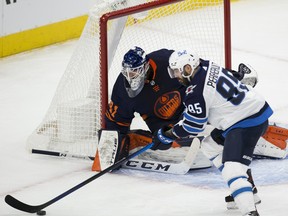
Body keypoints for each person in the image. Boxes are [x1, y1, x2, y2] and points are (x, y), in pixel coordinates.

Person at [93, 46, 288, 210]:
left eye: (135, 71)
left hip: (192, 106)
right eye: (128, 72)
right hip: (164, 122)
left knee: (223, 128)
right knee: (168, 143)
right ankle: (247, 148)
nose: (131, 76)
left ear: (145, 66)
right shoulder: (122, 89)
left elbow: (198, 68)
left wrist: (232, 76)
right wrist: (110, 147)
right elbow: (115, 122)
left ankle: (247, 179)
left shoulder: (164, 60)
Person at [152, 49, 274, 215]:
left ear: (188, 68)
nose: (176, 77)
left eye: (177, 72)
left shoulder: (195, 92)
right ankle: (247, 188)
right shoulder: (207, 65)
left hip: (246, 123)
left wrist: (169, 135)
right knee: (210, 145)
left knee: (233, 169)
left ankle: (250, 212)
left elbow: (194, 126)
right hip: (251, 112)